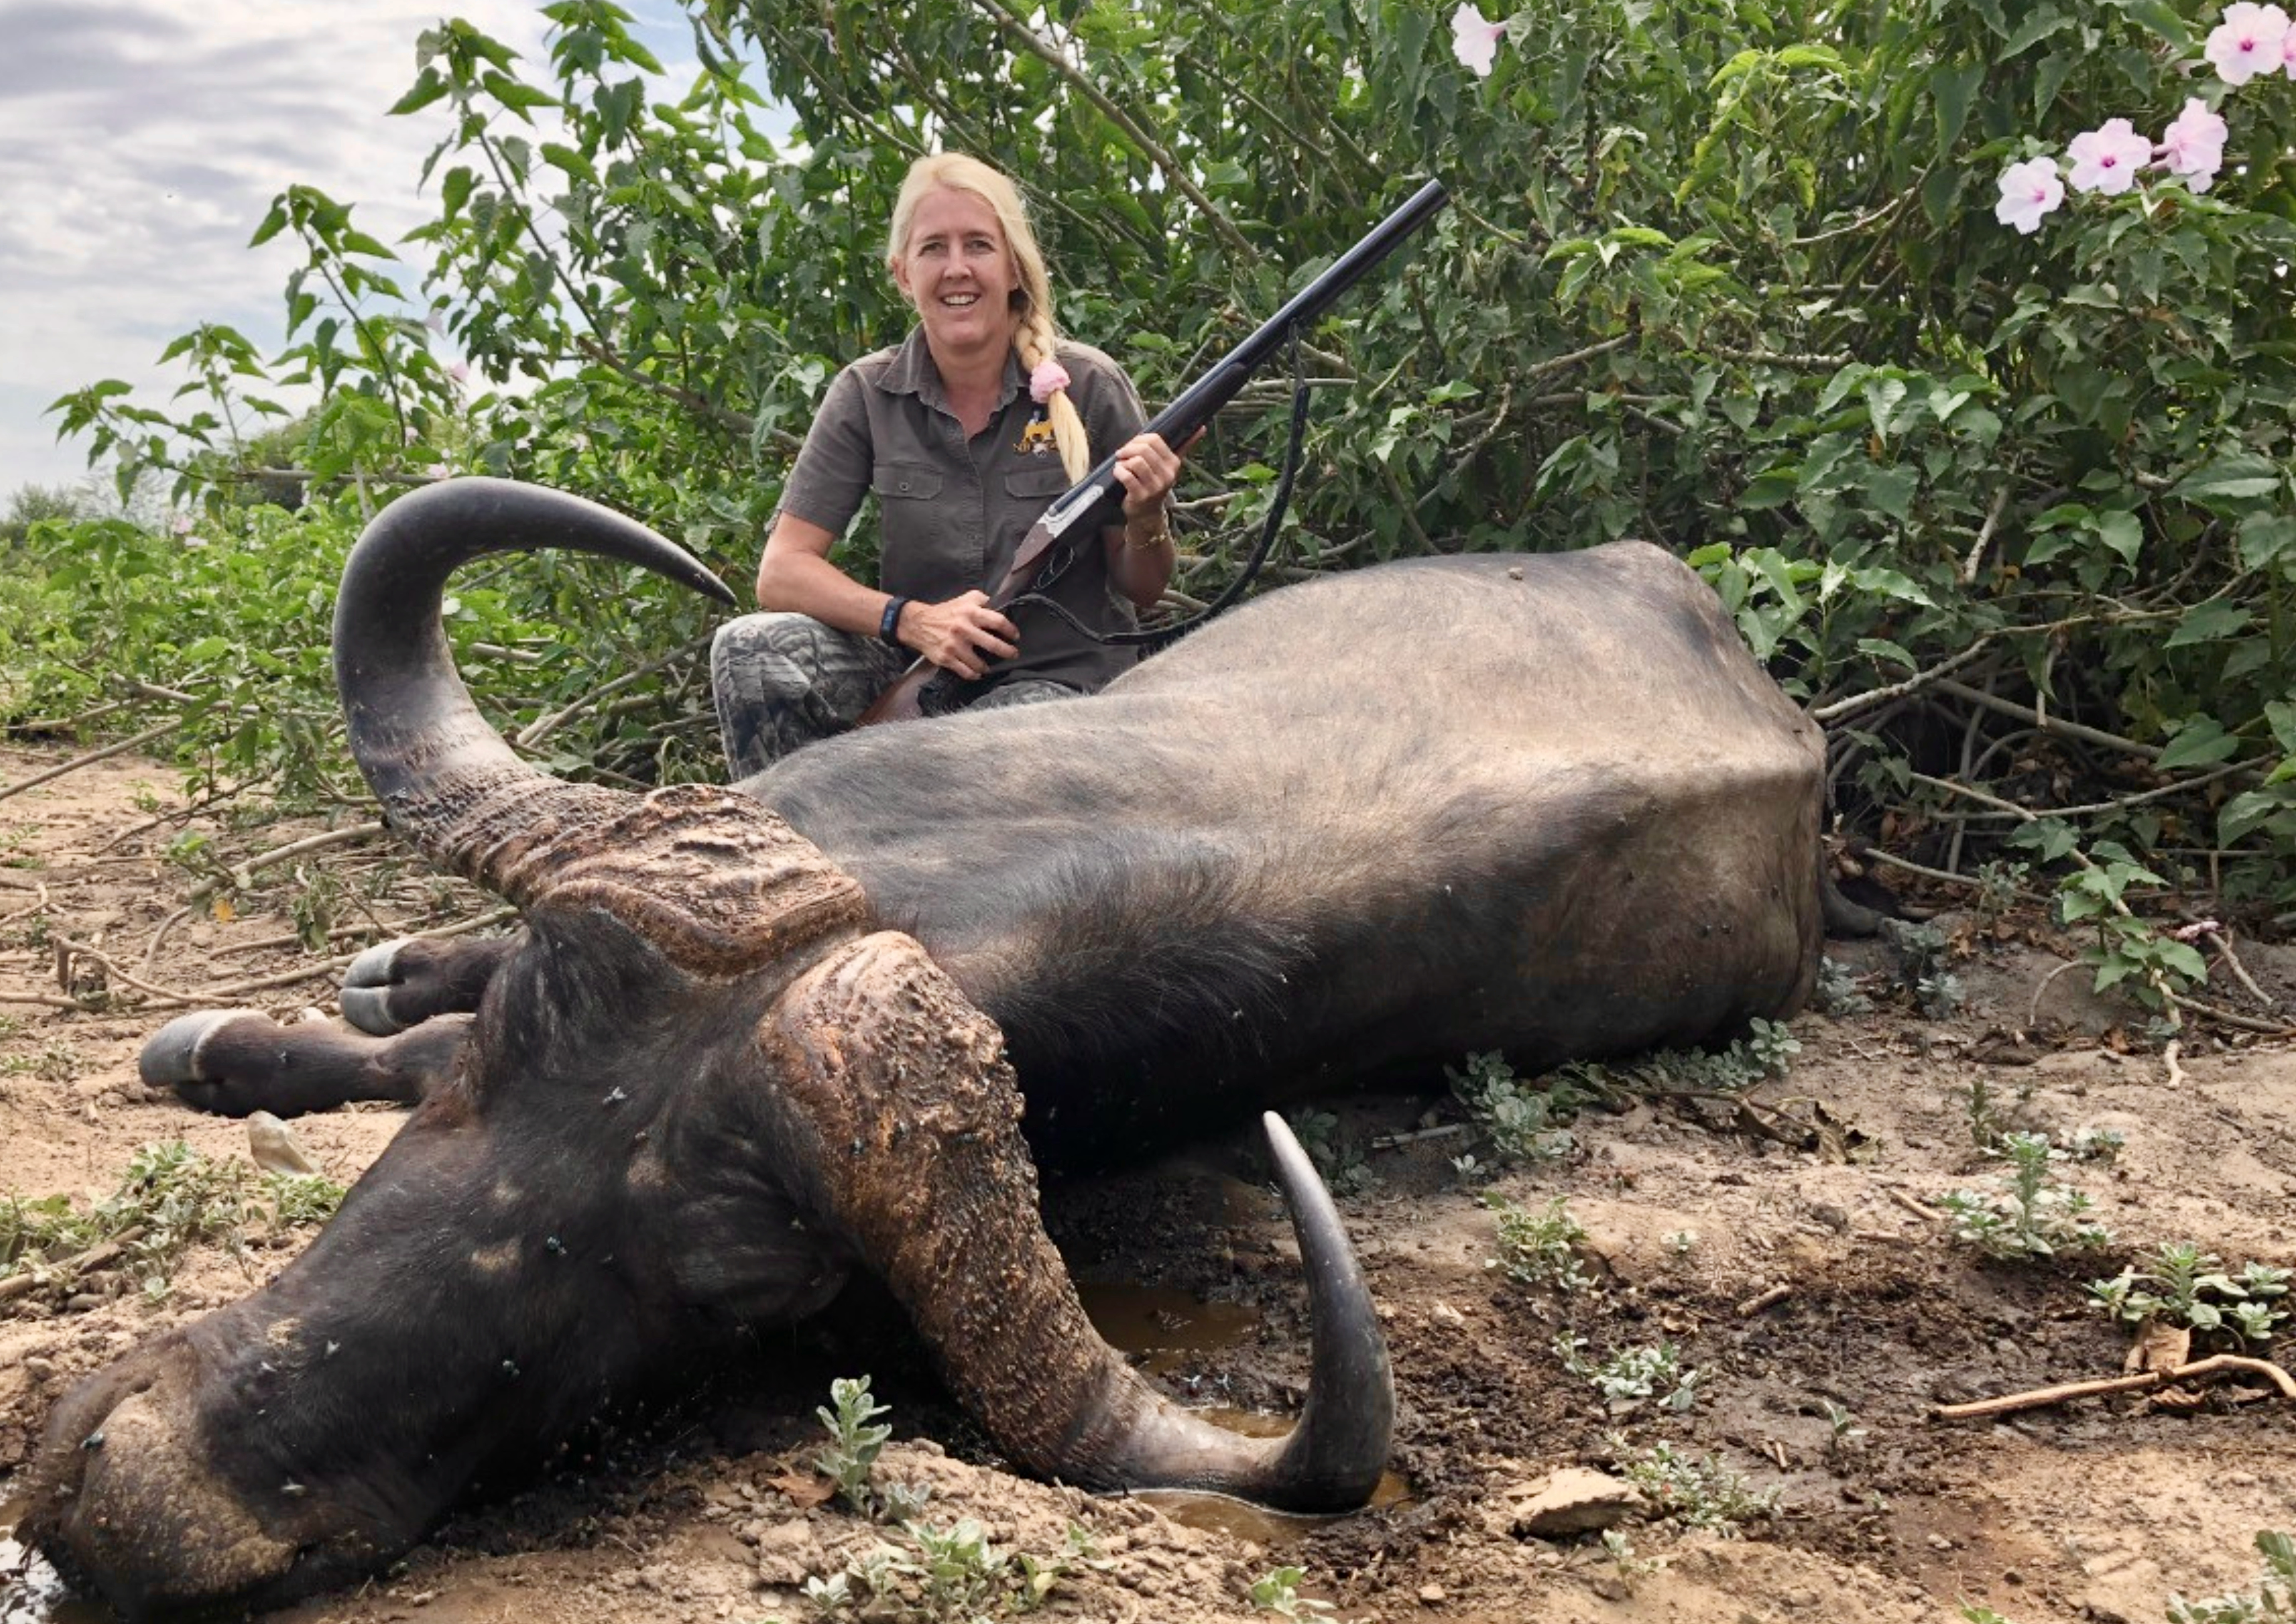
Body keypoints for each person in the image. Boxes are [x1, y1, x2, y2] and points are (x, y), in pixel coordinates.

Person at [711, 153, 1188, 777]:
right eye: (934, 248)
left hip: (1059, 686)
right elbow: (782, 573)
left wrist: (1146, 516)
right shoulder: (866, 392)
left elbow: (1144, 588)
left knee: (994, 738)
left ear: (1013, 267)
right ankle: (786, 836)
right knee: (749, 649)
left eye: (979, 246)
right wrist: (911, 621)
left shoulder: (1090, 384)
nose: (957, 268)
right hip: (920, 669)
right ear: (903, 274)